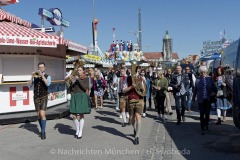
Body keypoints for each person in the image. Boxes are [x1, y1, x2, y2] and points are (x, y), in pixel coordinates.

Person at [28, 62, 51, 140]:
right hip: (36, 97)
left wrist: (42, 76)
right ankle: (42, 130)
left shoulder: (48, 76)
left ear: (44, 68)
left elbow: (48, 84)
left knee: (42, 114)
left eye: (42, 67)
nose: (40, 68)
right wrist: (32, 77)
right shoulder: (35, 76)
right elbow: (29, 85)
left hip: (44, 97)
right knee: (39, 115)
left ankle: (43, 132)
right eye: (39, 67)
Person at [66, 65, 90, 139]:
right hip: (74, 96)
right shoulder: (74, 78)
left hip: (82, 96)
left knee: (81, 114)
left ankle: (80, 131)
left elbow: (85, 87)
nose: (78, 71)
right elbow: (71, 88)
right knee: (73, 115)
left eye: (80, 70)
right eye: (78, 70)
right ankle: (78, 129)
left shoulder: (86, 78)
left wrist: (78, 80)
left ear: (83, 71)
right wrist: (70, 81)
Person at [192, 66, 217, 135]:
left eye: (204, 72)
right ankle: (202, 128)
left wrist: (214, 93)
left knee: (207, 114)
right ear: (200, 72)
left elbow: (215, 88)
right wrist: (193, 98)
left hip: (208, 99)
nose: (203, 73)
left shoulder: (210, 79)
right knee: (202, 114)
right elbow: (195, 90)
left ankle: (206, 125)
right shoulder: (197, 80)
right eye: (201, 72)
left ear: (206, 72)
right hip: (201, 99)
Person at [123, 64, 144, 145]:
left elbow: (144, 89)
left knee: (138, 116)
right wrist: (131, 87)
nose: (133, 71)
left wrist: (140, 87)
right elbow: (124, 90)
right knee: (132, 119)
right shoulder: (127, 79)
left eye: (135, 69)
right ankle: (135, 129)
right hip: (131, 99)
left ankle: (137, 137)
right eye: (132, 70)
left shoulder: (141, 78)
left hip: (139, 99)